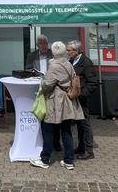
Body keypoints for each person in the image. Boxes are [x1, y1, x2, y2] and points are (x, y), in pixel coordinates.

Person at [30, 41, 85, 170]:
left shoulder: (54, 66)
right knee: (66, 131)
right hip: (68, 100)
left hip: (55, 101)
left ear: (53, 52)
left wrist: (42, 84)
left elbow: (47, 85)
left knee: (48, 130)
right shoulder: (68, 64)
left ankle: (45, 159)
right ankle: (69, 161)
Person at [66, 40, 99, 159]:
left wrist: (81, 94)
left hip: (81, 98)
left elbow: (93, 83)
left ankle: (89, 150)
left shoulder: (86, 62)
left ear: (76, 51)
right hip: (74, 97)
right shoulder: (71, 61)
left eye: (69, 50)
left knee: (85, 123)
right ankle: (81, 146)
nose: (67, 52)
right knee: (79, 123)